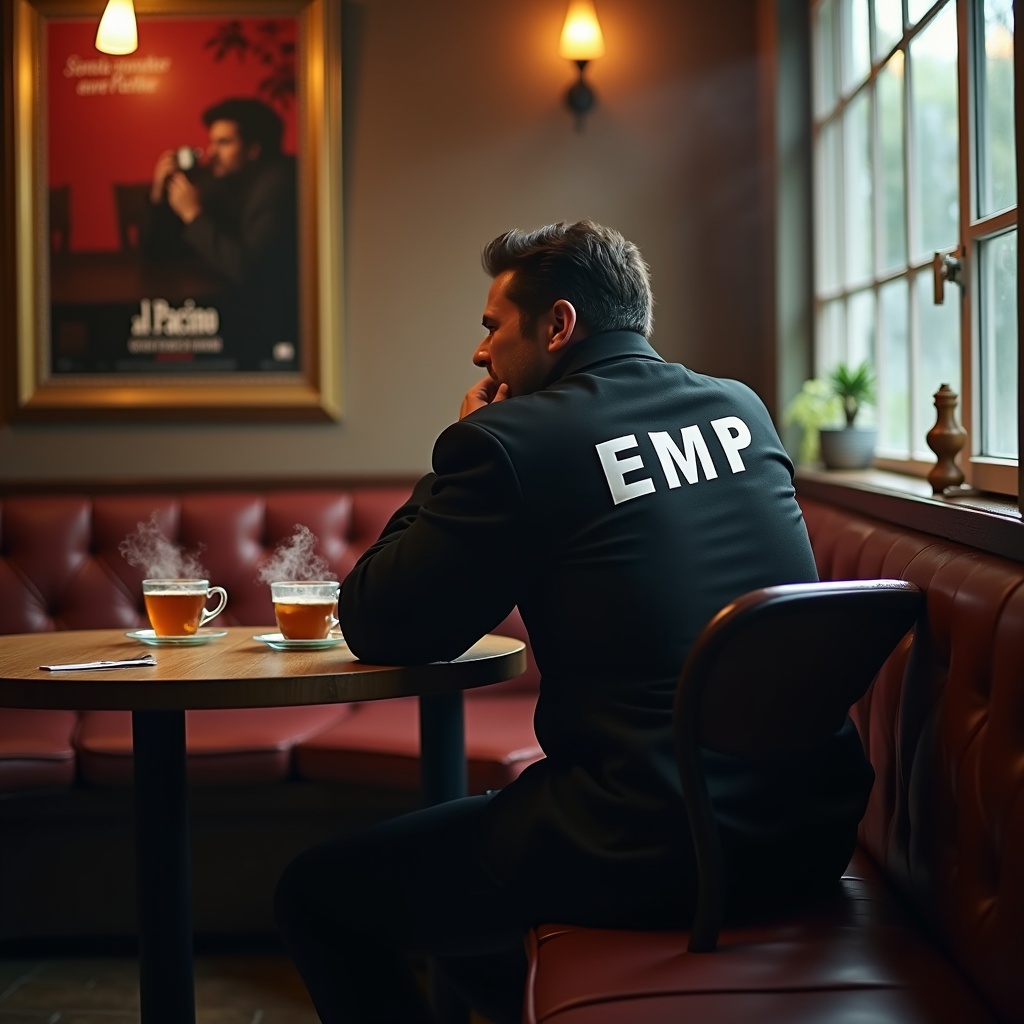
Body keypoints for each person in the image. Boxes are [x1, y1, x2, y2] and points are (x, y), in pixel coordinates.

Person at [274, 221, 874, 1023]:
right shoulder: (743, 409)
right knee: (496, 848)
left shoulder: (516, 441)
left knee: (316, 896)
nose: (480, 355)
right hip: (807, 832)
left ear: (557, 325)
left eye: (492, 328)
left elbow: (380, 624)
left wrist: (459, 439)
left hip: (647, 843)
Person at [142, 96, 298, 371]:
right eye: (211, 141)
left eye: (224, 143)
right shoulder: (222, 180)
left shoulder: (278, 184)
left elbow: (245, 269)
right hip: (224, 312)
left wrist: (192, 215)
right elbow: (158, 255)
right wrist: (158, 195)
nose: (210, 151)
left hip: (271, 328)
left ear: (253, 149)